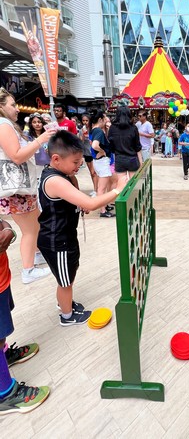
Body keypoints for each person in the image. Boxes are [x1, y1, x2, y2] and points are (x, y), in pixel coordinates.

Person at [37, 130, 127, 326]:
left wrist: (79, 205)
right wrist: (117, 189)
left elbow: (79, 201)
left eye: (80, 162)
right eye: (75, 162)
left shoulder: (64, 174)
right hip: (56, 240)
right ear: (56, 158)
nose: (79, 166)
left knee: (69, 272)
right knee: (65, 281)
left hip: (65, 236)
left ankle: (66, 302)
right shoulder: (54, 180)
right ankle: (67, 316)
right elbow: (91, 203)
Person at [0, 87, 54, 284]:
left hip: (20, 188)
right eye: (12, 105)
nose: (16, 109)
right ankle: (28, 270)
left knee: (34, 225)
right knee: (30, 230)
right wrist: (41, 140)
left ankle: (35, 255)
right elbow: (16, 156)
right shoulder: (4, 124)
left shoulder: (7, 124)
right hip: (16, 189)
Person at [0, 218, 50, 414]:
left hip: (2, 275)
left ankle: (4, 356)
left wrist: (8, 229)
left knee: (1, 332)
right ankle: (6, 393)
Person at [108, 105, 142, 180]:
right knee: (133, 184)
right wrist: (141, 162)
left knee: (121, 184)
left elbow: (111, 146)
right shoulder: (133, 128)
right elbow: (137, 147)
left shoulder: (112, 128)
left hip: (119, 159)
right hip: (132, 159)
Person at [90, 110, 114, 218]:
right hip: (102, 161)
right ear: (100, 120)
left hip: (98, 161)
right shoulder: (98, 131)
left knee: (101, 186)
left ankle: (104, 205)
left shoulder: (93, 130)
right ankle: (103, 210)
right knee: (102, 188)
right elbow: (95, 145)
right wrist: (102, 151)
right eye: (104, 119)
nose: (105, 121)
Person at [26, 113, 50, 179]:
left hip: (47, 165)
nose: (37, 124)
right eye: (34, 122)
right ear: (31, 124)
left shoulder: (48, 134)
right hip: (34, 165)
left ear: (43, 123)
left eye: (39, 122)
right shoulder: (27, 136)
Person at [79, 113, 97, 197]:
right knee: (91, 172)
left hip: (94, 152)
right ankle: (95, 189)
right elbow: (81, 142)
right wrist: (82, 134)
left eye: (86, 120)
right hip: (87, 153)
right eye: (83, 120)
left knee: (94, 172)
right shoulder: (81, 130)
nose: (85, 122)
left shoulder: (94, 129)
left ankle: (97, 190)